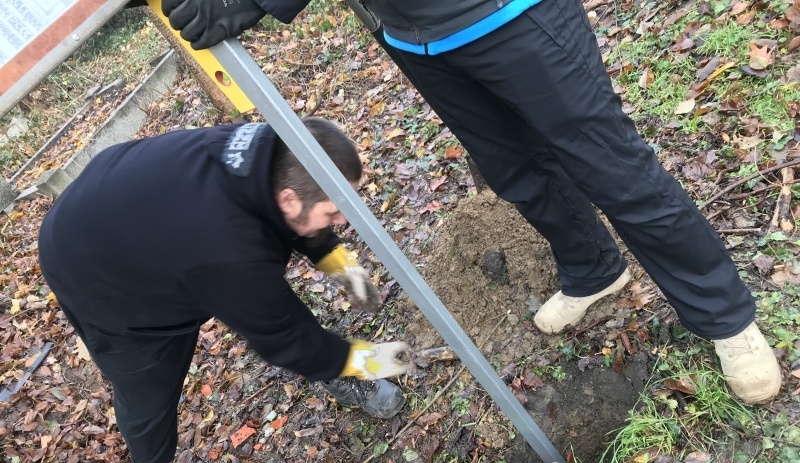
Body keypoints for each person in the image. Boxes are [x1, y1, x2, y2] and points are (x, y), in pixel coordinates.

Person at [159, 0, 783, 405]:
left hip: (510, 14)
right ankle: (594, 270)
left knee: (613, 168)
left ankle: (725, 318)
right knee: (520, 173)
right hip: (418, 37)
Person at [38, 117, 410, 463]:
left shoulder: (271, 148)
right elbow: (286, 338)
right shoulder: (228, 253)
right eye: (334, 212)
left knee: (264, 288)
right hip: (92, 269)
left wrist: (343, 269)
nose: (342, 220)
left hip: (130, 200)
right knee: (146, 385)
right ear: (289, 200)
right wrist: (373, 359)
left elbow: (296, 210)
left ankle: (334, 371)